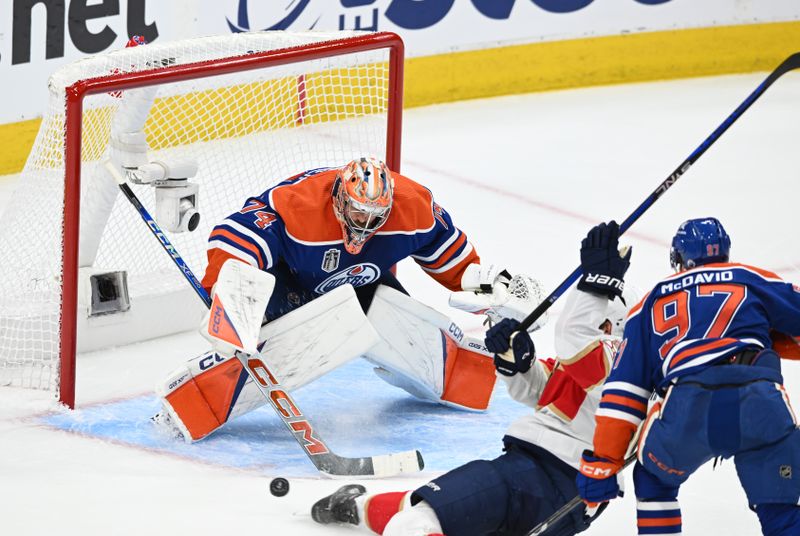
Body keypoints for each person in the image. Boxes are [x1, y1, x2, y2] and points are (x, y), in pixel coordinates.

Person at [152, 157, 543, 441]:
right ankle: (192, 401)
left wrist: (490, 289)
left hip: (358, 284)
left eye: (376, 216)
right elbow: (234, 237)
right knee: (309, 338)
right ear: (339, 197)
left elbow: (453, 258)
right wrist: (231, 290)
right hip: (287, 282)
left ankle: (464, 377)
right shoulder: (299, 204)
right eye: (357, 213)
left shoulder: (414, 208)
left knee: (394, 319)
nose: (365, 224)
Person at [310, 221, 635, 536]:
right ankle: (354, 506)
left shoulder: (621, 361)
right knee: (428, 508)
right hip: (549, 480)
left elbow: (573, 336)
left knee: (413, 524)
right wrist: (517, 361)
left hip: (548, 477)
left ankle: (361, 508)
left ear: (611, 325)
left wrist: (594, 283)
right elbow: (539, 390)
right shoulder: (603, 369)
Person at [576, 217, 800, 536]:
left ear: (678, 259)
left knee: (654, 481)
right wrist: (771, 338)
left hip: (691, 402)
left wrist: (603, 462)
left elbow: (623, 393)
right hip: (759, 397)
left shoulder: (650, 301)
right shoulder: (750, 277)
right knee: (779, 510)